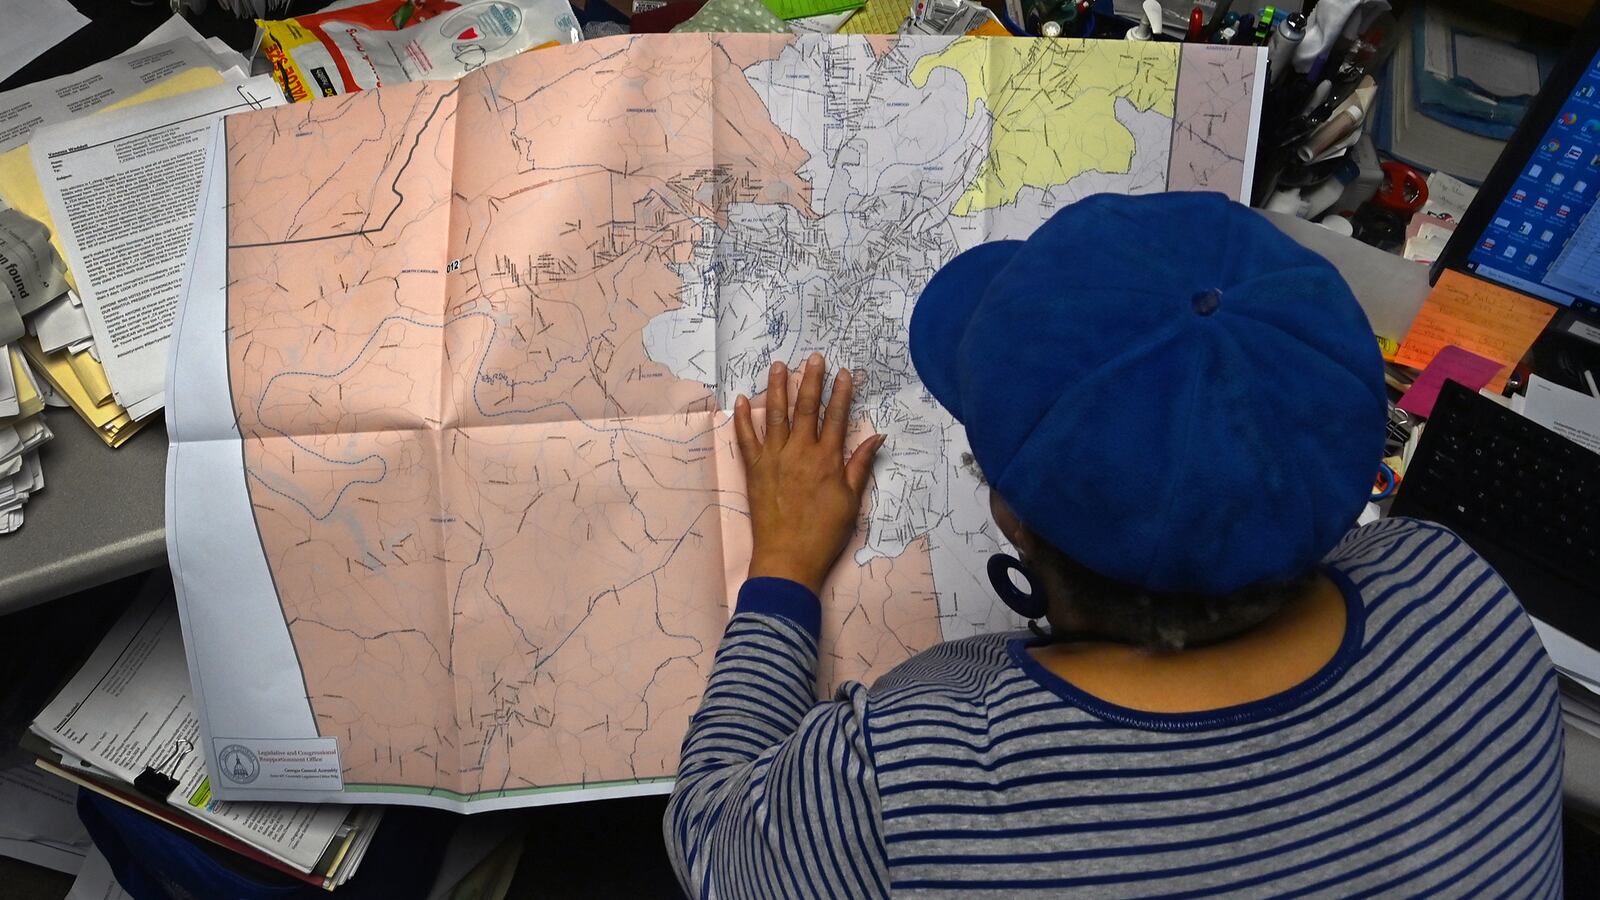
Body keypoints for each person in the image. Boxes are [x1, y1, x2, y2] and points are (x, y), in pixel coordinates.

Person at [663, 192, 1563, 897]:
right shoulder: (1458, 593)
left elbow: (710, 835)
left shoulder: (905, 775)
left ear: (1016, 514)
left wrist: (782, 563)